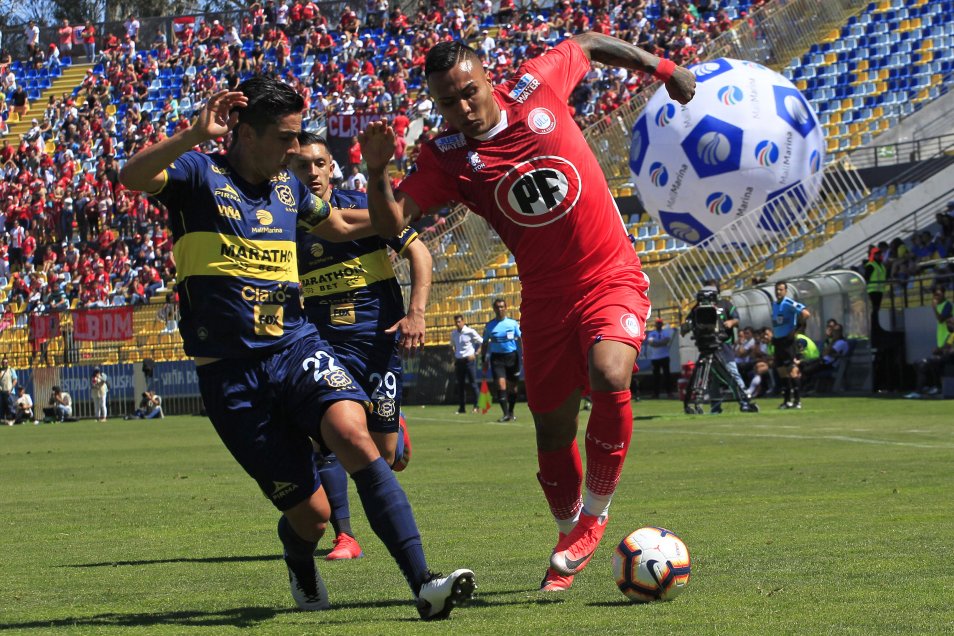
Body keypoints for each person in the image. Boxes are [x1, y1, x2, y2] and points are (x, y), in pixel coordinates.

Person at [119, 78, 473, 619]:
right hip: (232, 375)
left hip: (295, 346)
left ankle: (425, 583)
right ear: (247, 134)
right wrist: (193, 133)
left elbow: (352, 223)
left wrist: (385, 178)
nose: (294, 149)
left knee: (354, 435)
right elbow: (131, 176)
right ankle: (300, 560)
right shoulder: (198, 174)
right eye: (285, 138)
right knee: (311, 515)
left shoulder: (289, 189)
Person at [358, 33, 695, 591]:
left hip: (610, 274)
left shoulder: (538, 86)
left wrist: (663, 68)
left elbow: (588, 42)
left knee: (610, 373)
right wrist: (376, 172)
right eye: (448, 102)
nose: (463, 108)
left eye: (469, 91)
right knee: (552, 431)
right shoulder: (445, 158)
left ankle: (594, 517)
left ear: (488, 79)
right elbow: (393, 223)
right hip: (544, 299)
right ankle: (567, 536)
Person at [289, 131, 430, 562]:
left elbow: (420, 254)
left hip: (377, 342)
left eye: (319, 163)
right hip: (324, 344)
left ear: (331, 167)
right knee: (324, 437)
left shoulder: (364, 207)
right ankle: (345, 536)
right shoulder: (285, 223)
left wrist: (416, 312)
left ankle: (393, 430)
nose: (312, 172)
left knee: (383, 455)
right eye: (301, 165)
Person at [480, 298, 522, 422]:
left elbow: (520, 339)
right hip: (497, 358)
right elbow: (484, 343)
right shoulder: (489, 325)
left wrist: (524, 353)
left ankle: (511, 411)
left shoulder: (512, 323)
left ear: (506, 308)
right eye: (497, 307)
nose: (500, 309)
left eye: (502, 307)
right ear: (494, 309)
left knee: (513, 387)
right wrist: (483, 358)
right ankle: (505, 414)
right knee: (501, 384)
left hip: (512, 357)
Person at [771, 281, 811, 409]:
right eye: (777, 289)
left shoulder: (788, 303)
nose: (778, 292)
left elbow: (806, 313)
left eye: (781, 289)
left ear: (785, 291)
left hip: (788, 342)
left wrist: (797, 329)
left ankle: (797, 401)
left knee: (792, 371)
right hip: (778, 342)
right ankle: (787, 401)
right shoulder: (774, 304)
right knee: (782, 372)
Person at [450, 314, 483, 414]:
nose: (457, 323)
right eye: (456, 322)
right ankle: (462, 408)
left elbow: (482, 342)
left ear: (463, 321)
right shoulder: (454, 333)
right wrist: (454, 357)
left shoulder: (470, 331)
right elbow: (452, 346)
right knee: (460, 386)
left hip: (469, 361)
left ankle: (477, 407)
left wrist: (476, 353)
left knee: (473, 384)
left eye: (459, 321)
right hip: (459, 361)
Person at [645, 318, 673, 399]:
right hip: (655, 358)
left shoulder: (665, 332)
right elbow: (651, 343)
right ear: (655, 324)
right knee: (656, 377)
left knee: (667, 376)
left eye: (660, 323)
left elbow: (666, 341)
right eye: (657, 323)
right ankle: (656, 393)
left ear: (662, 324)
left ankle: (669, 392)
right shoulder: (652, 333)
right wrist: (661, 343)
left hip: (664, 356)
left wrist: (657, 343)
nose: (659, 325)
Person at [0, 355, 17, 425]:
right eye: (4, 362)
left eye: (6, 362)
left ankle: (12, 419)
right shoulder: (0, 371)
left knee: (10, 407)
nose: (5, 364)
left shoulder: (11, 370)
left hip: (9, 392)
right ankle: (4, 420)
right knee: (2, 407)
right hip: (2, 392)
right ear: (1, 363)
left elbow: (15, 380)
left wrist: (11, 388)